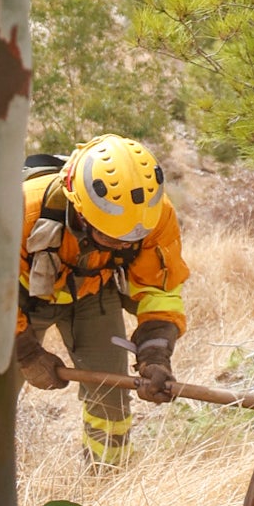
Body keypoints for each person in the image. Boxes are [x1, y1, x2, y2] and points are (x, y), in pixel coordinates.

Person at [15, 138, 187, 468]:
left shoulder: (155, 216)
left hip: (94, 292)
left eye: (129, 240)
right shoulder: (21, 210)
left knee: (110, 395)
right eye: (110, 237)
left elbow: (160, 290)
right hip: (18, 302)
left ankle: (109, 474)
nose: (122, 244)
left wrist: (155, 354)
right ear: (78, 208)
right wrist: (24, 352)